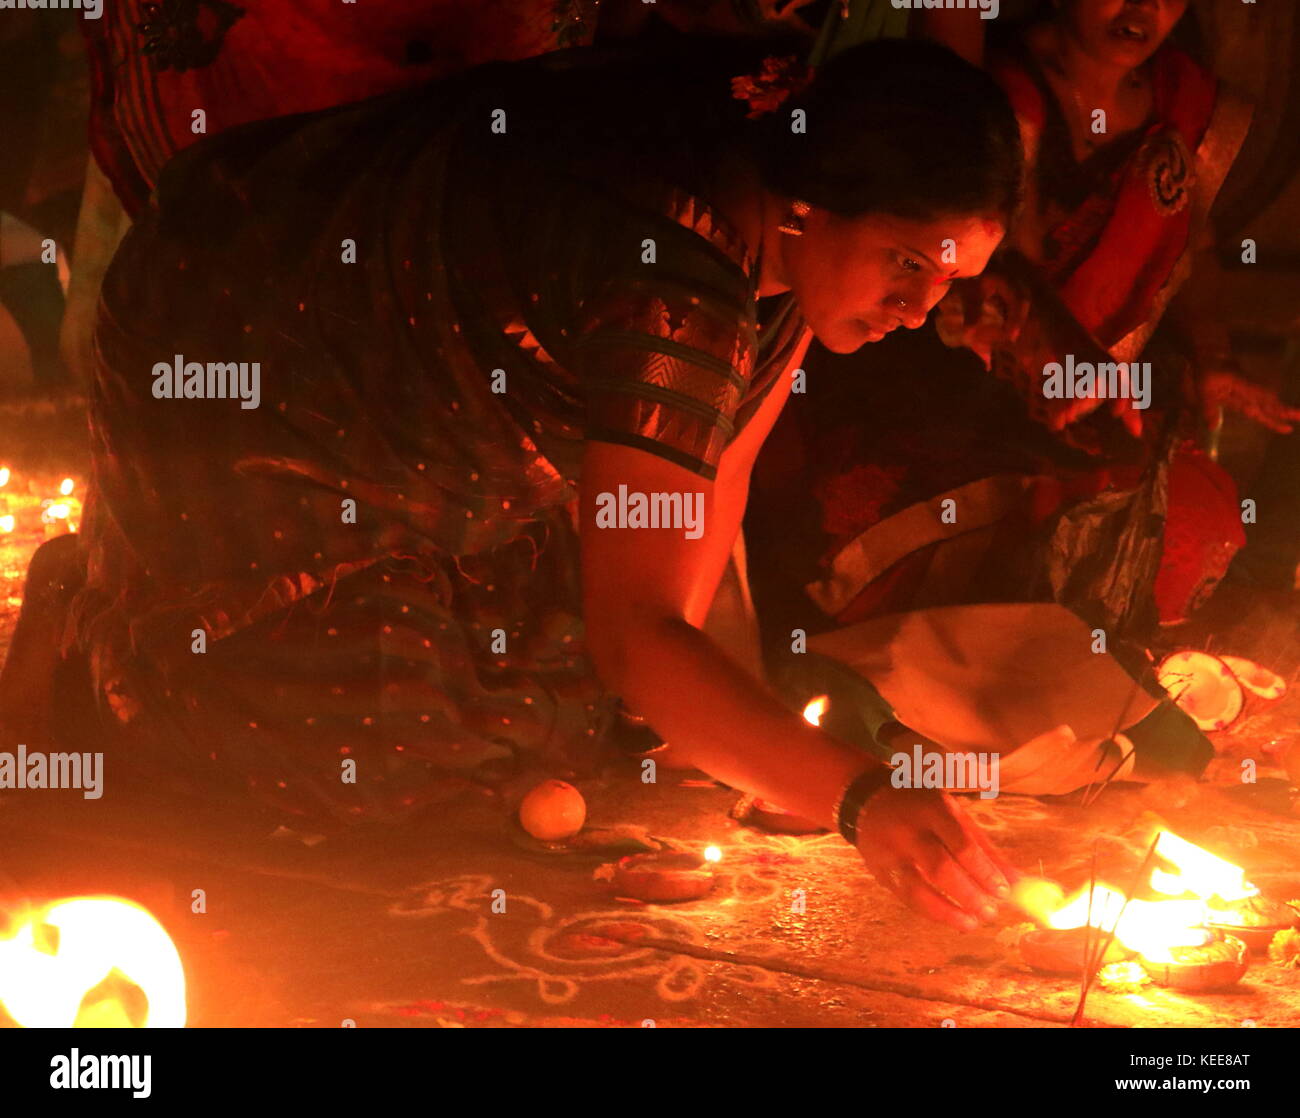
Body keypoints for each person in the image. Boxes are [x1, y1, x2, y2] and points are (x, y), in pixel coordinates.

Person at [0, 36, 1023, 931]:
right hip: (249, 363)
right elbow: (638, 632)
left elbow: (709, 490)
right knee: (379, 763)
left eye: (948, 279)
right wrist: (859, 798)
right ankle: (94, 652)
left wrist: (725, 728)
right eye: (903, 261)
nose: (919, 307)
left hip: (427, 428)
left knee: (577, 709)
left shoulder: (783, 235)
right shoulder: (670, 270)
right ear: (816, 199)